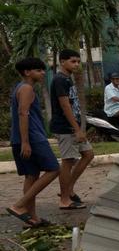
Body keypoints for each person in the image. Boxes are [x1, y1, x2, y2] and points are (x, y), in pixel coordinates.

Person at [7, 58, 60, 228]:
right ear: (27, 72)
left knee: (32, 175)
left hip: (22, 138)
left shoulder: (20, 88)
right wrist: (26, 142)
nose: (43, 72)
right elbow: (23, 114)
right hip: (32, 138)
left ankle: (32, 218)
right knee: (54, 169)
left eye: (43, 70)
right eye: (38, 70)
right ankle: (19, 205)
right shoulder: (27, 88)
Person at [49, 50, 92, 210]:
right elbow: (65, 105)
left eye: (78, 62)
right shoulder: (60, 80)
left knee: (88, 154)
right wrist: (77, 129)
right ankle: (65, 199)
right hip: (65, 127)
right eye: (73, 61)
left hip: (73, 127)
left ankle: (68, 189)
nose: (76, 64)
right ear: (62, 62)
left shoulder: (68, 79)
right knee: (68, 161)